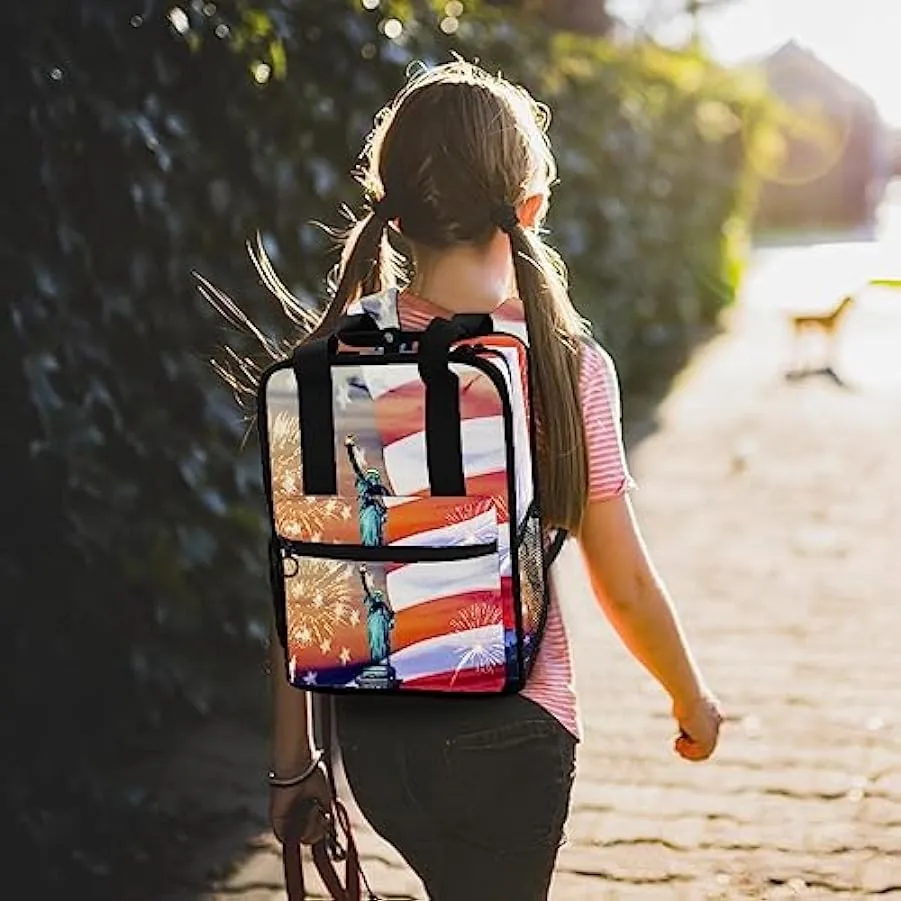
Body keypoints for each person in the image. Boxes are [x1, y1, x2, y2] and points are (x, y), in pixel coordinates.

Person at [267, 61, 723, 900]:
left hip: (379, 737)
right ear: (531, 208)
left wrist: (292, 767)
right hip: (510, 731)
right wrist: (688, 695)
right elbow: (619, 576)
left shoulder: (341, 363)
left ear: (393, 213)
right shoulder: (559, 364)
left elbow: (309, 576)